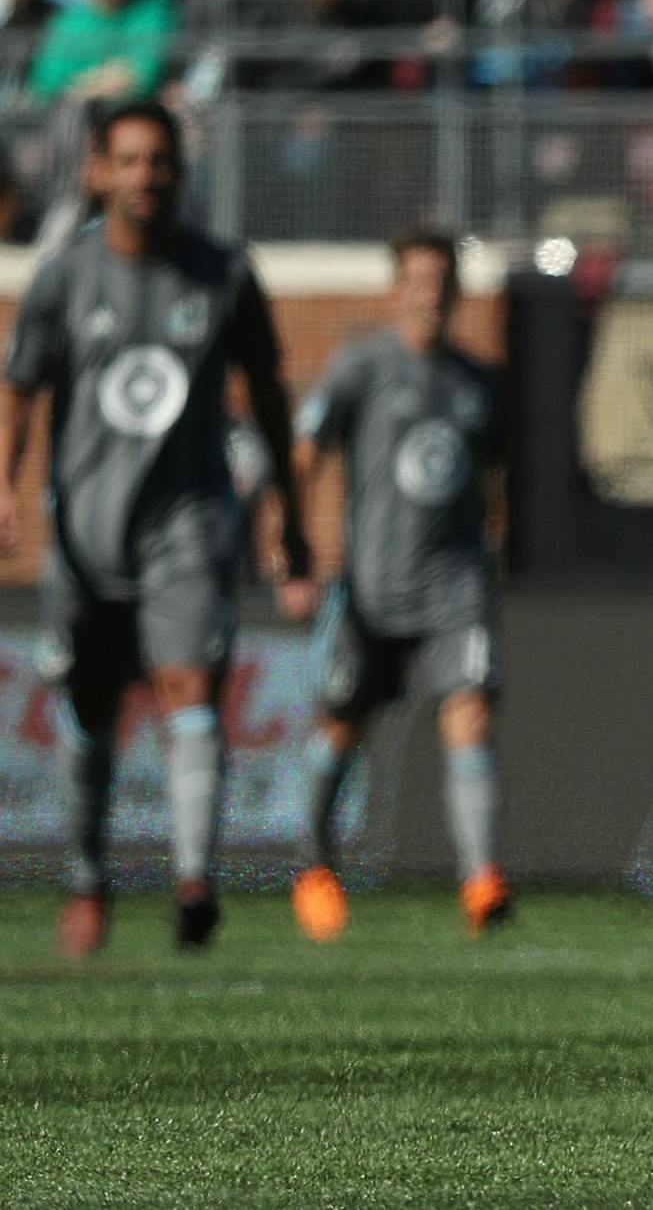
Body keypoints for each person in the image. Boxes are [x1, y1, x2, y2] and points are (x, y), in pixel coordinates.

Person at [0, 100, 312, 956]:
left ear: (179, 171)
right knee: (90, 713)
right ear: (96, 172)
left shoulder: (222, 274)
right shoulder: (65, 277)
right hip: (87, 532)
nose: (146, 177)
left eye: (160, 161)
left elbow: (271, 393)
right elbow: (20, 387)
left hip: (189, 524)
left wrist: (289, 503)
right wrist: (4, 487)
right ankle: (88, 878)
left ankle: (192, 883)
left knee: (188, 692)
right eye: (129, 161)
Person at [283, 229, 510, 942]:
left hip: (455, 588)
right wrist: (296, 550)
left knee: (470, 714)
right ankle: (315, 866)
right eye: (418, 277)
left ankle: (480, 878)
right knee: (342, 727)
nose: (431, 291)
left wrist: (493, 545)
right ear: (397, 288)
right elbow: (307, 449)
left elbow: (496, 478)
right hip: (373, 588)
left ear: (456, 290)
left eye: (442, 278)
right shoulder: (362, 366)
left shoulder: (478, 382)